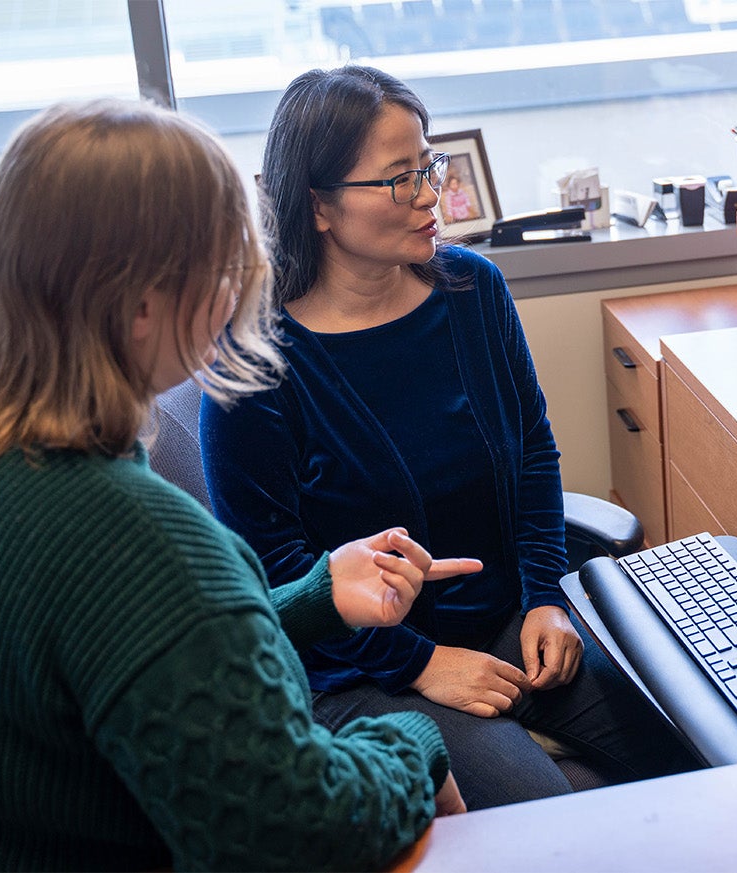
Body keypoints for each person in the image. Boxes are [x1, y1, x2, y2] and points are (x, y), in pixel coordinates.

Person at [0, 98, 475, 872]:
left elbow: (125, 655)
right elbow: (302, 830)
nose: (237, 294)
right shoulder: (134, 538)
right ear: (145, 303)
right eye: (225, 267)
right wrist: (413, 743)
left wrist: (313, 595)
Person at [200, 65, 699, 811]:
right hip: (364, 672)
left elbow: (533, 456)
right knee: (539, 825)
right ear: (320, 206)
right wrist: (423, 662)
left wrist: (544, 598)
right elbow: (278, 579)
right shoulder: (255, 366)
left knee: (703, 752)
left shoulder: (472, 290)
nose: (432, 194)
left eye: (428, 165)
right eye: (401, 179)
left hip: (511, 624)